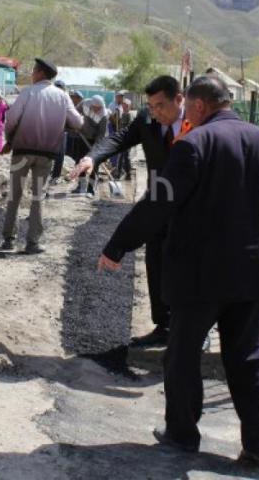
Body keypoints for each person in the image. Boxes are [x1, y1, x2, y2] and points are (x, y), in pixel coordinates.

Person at [97, 76, 259, 463]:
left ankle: (183, 433)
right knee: (251, 357)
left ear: (200, 106)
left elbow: (158, 203)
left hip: (201, 274)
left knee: (183, 354)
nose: (186, 115)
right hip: (254, 272)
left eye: (188, 108)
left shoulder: (194, 145)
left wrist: (118, 246)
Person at [69, 75, 190, 346]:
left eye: (160, 106)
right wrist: (92, 157)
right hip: (156, 202)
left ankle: (193, 327)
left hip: (190, 207)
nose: (155, 112)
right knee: (156, 260)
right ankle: (163, 324)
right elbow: (120, 138)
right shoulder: (146, 119)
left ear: (179, 99)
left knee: (187, 265)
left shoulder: (197, 121)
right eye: (151, 106)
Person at [1, 57, 83, 254]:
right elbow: (78, 123)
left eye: (33, 71)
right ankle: (33, 243)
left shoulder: (28, 92)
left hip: (22, 152)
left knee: (14, 195)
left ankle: (9, 240)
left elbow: (11, 119)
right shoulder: (62, 96)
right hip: (46, 155)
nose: (31, 74)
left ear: (40, 73)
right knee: (38, 196)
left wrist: (9, 140)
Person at [71, 95, 108, 195]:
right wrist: (75, 123)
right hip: (82, 137)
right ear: (92, 105)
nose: (98, 110)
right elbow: (74, 113)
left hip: (95, 140)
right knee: (80, 162)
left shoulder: (103, 116)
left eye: (99, 108)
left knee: (93, 165)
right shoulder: (84, 104)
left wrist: (95, 149)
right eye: (96, 108)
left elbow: (101, 135)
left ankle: (91, 189)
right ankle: (81, 187)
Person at [50, 79, 68, 182]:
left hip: (62, 130)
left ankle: (55, 176)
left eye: (60, 88)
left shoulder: (66, 100)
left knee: (60, 154)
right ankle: (45, 174)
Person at [114, 98, 136, 180]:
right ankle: (125, 174)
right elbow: (120, 126)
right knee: (123, 156)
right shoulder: (123, 114)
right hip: (123, 138)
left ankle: (122, 174)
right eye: (123, 105)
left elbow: (129, 127)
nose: (124, 107)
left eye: (126, 105)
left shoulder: (129, 114)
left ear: (129, 106)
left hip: (127, 139)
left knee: (124, 157)